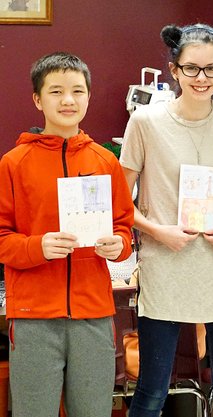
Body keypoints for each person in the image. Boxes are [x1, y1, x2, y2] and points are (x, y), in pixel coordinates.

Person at [119, 24, 213, 416]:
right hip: (166, 266)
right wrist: (156, 230)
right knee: (151, 389)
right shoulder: (146, 121)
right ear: (174, 70)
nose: (202, 78)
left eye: (212, 69)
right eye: (191, 68)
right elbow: (118, 199)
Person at [0, 52, 134, 417]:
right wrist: (36, 246)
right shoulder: (14, 163)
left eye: (77, 91)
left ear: (89, 97)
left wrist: (118, 245)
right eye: (56, 91)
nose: (68, 100)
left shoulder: (105, 161)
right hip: (33, 317)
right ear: (37, 99)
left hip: (93, 314)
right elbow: (2, 239)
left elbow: (124, 230)